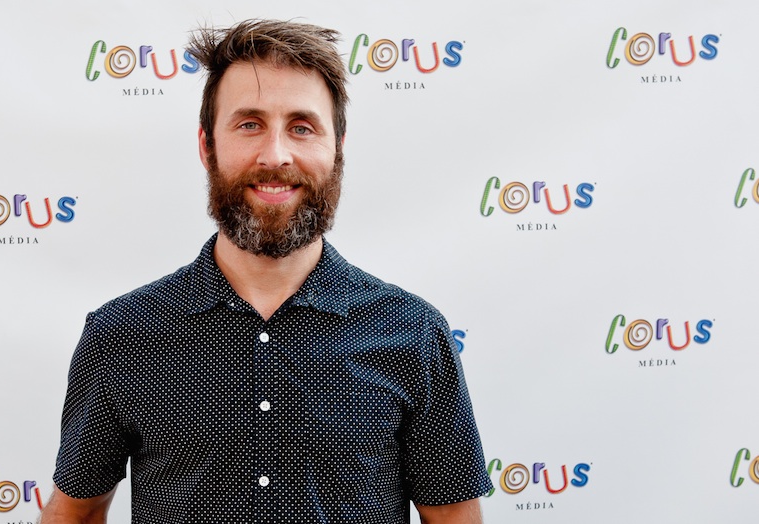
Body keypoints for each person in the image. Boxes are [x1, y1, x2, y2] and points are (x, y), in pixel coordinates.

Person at [40, 19, 492, 524]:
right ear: (207, 145)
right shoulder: (121, 335)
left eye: (302, 127)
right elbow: (75, 514)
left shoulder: (414, 334)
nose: (275, 155)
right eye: (249, 124)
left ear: (338, 148)